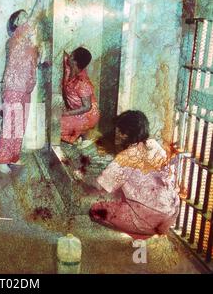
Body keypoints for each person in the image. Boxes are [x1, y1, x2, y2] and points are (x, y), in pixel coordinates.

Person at [89, 110, 180, 239]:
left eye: (117, 130)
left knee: (96, 210)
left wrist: (83, 179)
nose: (115, 133)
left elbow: (99, 186)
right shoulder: (154, 145)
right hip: (170, 214)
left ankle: (139, 234)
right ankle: (149, 232)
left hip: (149, 219)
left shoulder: (125, 157)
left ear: (124, 134)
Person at [0, 0, 48, 174]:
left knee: (20, 123)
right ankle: (2, 159)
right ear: (16, 23)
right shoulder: (18, 36)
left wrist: (40, 50)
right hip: (14, 87)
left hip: (25, 87)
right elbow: (37, 12)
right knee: (11, 123)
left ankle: (14, 156)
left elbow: (37, 61)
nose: (27, 19)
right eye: (23, 16)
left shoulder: (27, 41)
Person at [61, 47, 100, 144]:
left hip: (87, 115)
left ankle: (80, 134)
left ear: (74, 61)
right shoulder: (70, 69)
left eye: (71, 55)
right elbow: (64, 55)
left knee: (56, 128)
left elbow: (87, 107)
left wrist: (67, 113)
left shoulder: (82, 82)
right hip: (77, 112)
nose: (69, 56)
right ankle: (78, 133)